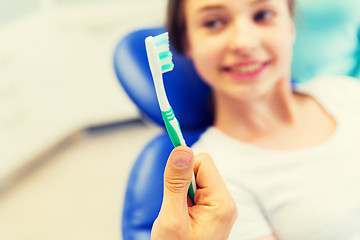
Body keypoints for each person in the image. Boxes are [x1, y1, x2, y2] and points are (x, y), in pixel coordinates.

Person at [153, 0, 360, 239]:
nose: (244, 42)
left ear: (290, 27)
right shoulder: (210, 181)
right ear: (187, 41)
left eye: (262, 15)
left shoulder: (346, 92)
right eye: (213, 22)